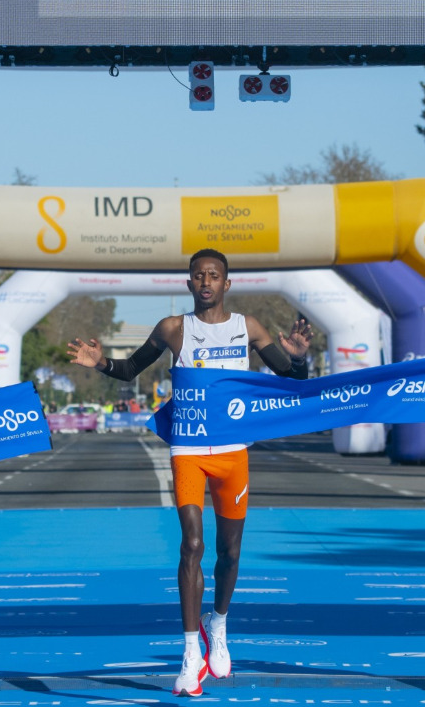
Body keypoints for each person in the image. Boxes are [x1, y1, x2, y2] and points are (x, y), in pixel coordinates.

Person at [67, 249, 312, 697]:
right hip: (189, 449)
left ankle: (217, 624)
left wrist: (297, 358)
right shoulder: (173, 329)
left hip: (233, 452)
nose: (206, 281)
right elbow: (129, 369)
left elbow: (291, 379)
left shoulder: (248, 327)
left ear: (226, 284)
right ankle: (189, 652)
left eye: (214, 275)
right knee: (192, 545)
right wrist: (99, 362)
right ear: (189, 284)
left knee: (229, 553)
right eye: (198, 275)